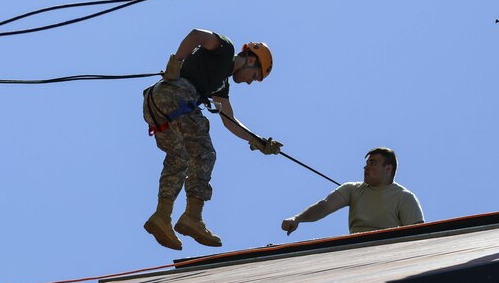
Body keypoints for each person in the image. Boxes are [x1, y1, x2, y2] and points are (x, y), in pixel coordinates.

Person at [142, 30, 282, 250]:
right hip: (174, 95)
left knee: (179, 157)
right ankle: (192, 217)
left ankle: (162, 216)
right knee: (205, 153)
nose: (249, 83)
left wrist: (259, 141)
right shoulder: (225, 50)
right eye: (254, 76)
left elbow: (230, 121)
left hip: (157, 108)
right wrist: (175, 63)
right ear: (251, 59)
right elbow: (197, 35)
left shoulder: (221, 85)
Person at [281, 147, 424, 235]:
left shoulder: (404, 198)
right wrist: (297, 218)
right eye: (366, 164)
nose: (366, 167)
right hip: (355, 249)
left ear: (388, 169)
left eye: (372, 163)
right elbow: (325, 206)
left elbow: (418, 235)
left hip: (388, 253)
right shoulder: (352, 189)